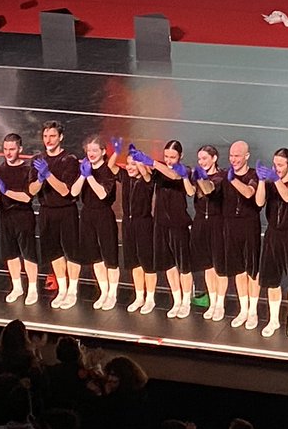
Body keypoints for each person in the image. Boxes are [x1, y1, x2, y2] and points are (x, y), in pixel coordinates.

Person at [29, 121, 82, 308]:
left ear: (61, 137)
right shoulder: (38, 159)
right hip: (46, 211)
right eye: (45, 136)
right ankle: (62, 287)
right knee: (54, 251)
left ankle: (73, 290)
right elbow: (31, 189)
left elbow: (65, 191)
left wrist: (48, 174)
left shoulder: (69, 160)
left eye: (52, 136)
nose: (48, 140)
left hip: (66, 211)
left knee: (71, 251)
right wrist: (40, 178)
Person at [255, 148, 288, 337]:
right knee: (272, 281)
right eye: (275, 165)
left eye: (281, 165)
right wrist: (261, 180)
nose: (277, 168)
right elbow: (259, 203)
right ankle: (273, 319)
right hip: (272, 235)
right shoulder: (270, 184)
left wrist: (275, 180)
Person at [70, 136, 120, 311]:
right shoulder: (84, 168)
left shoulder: (108, 171)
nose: (91, 154)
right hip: (87, 214)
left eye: (94, 150)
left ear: (103, 152)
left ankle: (112, 293)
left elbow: (102, 194)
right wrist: (83, 176)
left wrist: (89, 176)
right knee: (95, 256)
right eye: (89, 150)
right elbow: (74, 192)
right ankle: (104, 291)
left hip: (104, 214)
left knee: (109, 256)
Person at [0, 133, 40, 304]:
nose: (8, 153)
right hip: (5, 216)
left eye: (12, 149)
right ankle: (17, 286)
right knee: (10, 253)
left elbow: (27, 197)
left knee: (28, 254)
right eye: (5, 149)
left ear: (20, 149)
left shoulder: (27, 171)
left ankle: (32, 288)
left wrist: (7, 192)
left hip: (23, 215)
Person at [151, 140, 196, 319]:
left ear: (181, 156)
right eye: (166, 157)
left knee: (183, 265)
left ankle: (186, 300)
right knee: (169, 264)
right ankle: (176, 300)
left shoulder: (185, 171)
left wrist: (154, 162)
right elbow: (149, 176)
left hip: (178, 224)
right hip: (161, 223)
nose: (169, 160)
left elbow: (175, 176)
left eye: (173, 157)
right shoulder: (160, 171)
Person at [222, 141, 263, 330]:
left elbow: (249, 193)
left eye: (237, 156)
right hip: (231, 225)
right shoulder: (225, 175)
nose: (233, 159)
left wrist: (233, 180)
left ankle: (253, 311)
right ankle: (243, 309)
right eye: (231, 155)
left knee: (251, 269)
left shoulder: (253, 175)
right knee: (238, 269)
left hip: (249, 226)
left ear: (246, 156)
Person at [119, 144, 158, 313]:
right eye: (128, 163)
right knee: (134, 262)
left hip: (144, 224)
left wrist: (140, 161)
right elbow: (113, 167)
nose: (130, 167)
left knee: (147, 262)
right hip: (128, 224)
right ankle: (139, 295)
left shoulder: (147, 181)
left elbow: (147, 176)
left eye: (133, 164)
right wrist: (120, 153)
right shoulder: (126, 178)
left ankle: (150, 298)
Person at [191, 145, 227, 321]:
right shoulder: (197, 175)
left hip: (216, 223)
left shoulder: (221, 176)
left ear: (214, 158)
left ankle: (220, 304)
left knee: (219, 266)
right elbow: (191, 192)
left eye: (205, 159)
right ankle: (212, 302)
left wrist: (201, 178)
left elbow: (209, 189)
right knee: (207, 266)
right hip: (201, 222)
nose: (201, 162)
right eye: (199, 159)